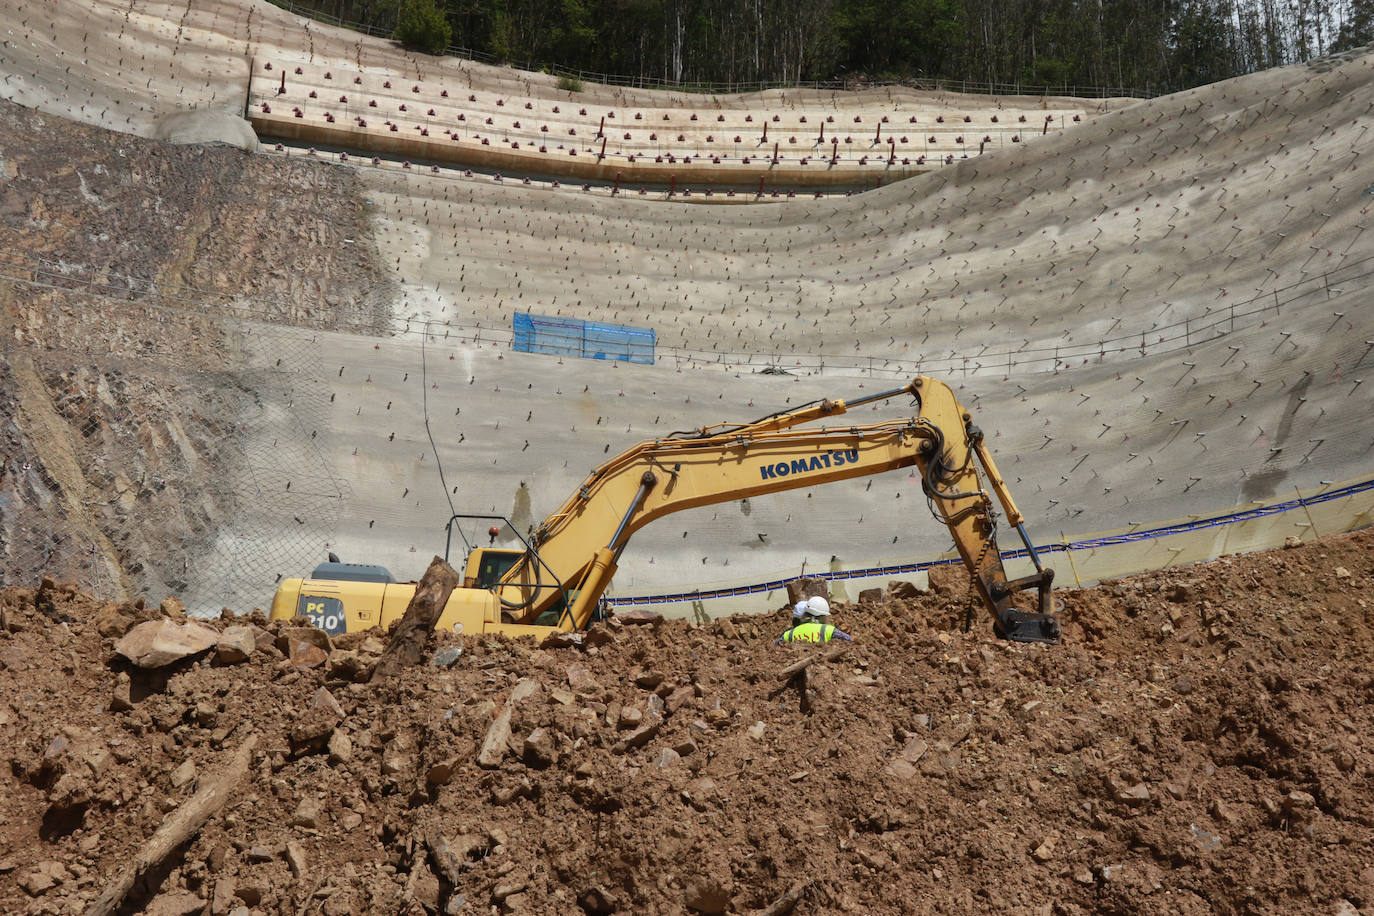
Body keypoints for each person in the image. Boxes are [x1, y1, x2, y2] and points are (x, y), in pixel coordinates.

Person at [775, 596, 853, 645]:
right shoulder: (829, 630)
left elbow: (775, 646)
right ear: (822, 616)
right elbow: (850, 641)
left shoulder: (790, 634)